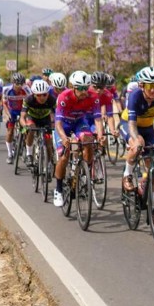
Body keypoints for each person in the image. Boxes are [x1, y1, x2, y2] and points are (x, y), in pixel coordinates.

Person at [52, 71, 104, 207]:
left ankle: (85, 171)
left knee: (88, 140)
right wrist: (64, 138)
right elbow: (57, 123)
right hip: (64, 125)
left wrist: (101, 135)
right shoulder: (64, 97)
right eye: (80, 88)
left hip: (79, 122)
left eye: (86, 88)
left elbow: (98, 119)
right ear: (73, 87)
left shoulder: (93, 96)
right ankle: (58, 189)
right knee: (64, 156)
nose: (84, 91)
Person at [20, 79, 56, 165]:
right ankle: (29, 154)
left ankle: (49, 162)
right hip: (32, 118)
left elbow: (57, 115)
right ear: (34, 95)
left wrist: (55, 124)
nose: (42, 97)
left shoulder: (52, 100)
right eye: (39, 95)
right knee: (31, 129)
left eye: (44, 94)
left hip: (45, 119)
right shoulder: (29, 100)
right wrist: (25, 126)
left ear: (48, 93)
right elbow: (22, 117)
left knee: (48, 141)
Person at [2, 73, 31, 164]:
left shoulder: (26, 89)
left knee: (26, 131)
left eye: (21, 84)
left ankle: (27, 152)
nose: (19, 86)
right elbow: (4, 103)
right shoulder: (6, 90)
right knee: (10, 131)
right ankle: (10, 154)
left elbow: (31, 102)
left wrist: (28, 114)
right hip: (12, 112)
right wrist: (7, 114)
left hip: (23, 111)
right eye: (17, 84)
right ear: (13, 83)